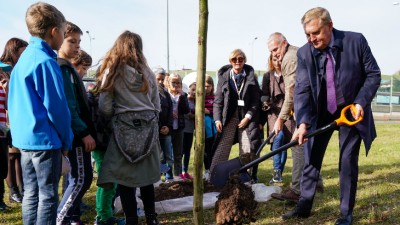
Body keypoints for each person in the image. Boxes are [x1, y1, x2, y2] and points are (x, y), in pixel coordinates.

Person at [282, 7, 381, 225]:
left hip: (350, 112)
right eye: (307, 35)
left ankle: (345, 214)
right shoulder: (305, 53)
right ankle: (304, 206)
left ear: (330, 25)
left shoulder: (355, 42)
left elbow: (373, 74)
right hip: (321, 112)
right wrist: (303, 122)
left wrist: (360, 102)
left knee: (347, 161)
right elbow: (302, 90)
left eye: (316, 33)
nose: (311, 39)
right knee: (311, 158)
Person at [8, 2, 74, 224]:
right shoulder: (46, 62)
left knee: (31, 194)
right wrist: (66, 140)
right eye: (64, 32)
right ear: (54, 31)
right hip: (45, 140)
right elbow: (58, 109)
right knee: (47, 196)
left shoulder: (23, 60)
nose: (63, 37)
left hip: (25, 140)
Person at [97, 31, 161, 225]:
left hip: (122, 128)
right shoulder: (147, 72)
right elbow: (157, 104)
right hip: (148, 127)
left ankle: (131, 219)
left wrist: (117, 112)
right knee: (146, 178)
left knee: (125, 179)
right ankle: (151, 218)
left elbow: (105, 106)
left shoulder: (112, 70)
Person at [56, 21, 96, 225]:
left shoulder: (67, 69)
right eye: (72, 41)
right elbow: (69, 106)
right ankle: (60, 219)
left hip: (76, 133)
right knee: (81, 179)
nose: (77, 46)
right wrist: (83, 132)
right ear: (58, 38)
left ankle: (71, 217)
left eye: (79, 42)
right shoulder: (63, 68)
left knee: (77, 178)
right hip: (76, 135)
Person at [210, 49, 261, 179]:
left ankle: (246, 178)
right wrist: (217, 120)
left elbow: (256, 100)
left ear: (244, 61)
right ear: (230, 61)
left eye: (240, 59)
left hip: (246, 118)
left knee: (247, 147)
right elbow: (218, 101)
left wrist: (248, 117)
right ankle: (214, 176)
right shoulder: (224, 78)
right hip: (229, 117)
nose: (237, 62)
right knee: (222, 147)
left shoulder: (251, 77)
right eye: (234, 59)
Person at [88, 69, 125, 225]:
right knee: (107, 181)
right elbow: (97, 122)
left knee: (110, 181)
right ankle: (104, 217)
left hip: (112, 143)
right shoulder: (94, 98)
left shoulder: (113, 95)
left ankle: (103, 213)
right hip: (102, 144)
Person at [0, 37, 28, 204]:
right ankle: (12, 191)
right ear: (13, 50)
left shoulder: (17, 69)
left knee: (17, 156)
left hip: (15, 115)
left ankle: (20, 189)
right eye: (21, 52)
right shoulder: (5, 68)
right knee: (10, 157)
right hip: (7, 121)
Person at [260, 53, 296, 184]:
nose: (277, 62)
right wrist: (266, 103)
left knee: (285, 143)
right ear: (271, 60)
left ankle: (278, 173)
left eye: (280, 59)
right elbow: (263, 95)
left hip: (289, 113)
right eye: (274, 59)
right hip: (274, 114)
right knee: (277, 139)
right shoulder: (267, 76)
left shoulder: (289, 74)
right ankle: (276, 171)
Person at [153, 67, 174, 182]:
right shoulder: (150, 94)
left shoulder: (167, 95)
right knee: (159, 157)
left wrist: (168, 127)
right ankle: (160, 177)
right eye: (158, 79)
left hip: (167, 131)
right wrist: (160, 127)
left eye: (163, 79)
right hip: (156, 131)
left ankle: (168, 176)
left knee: (169, 157)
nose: (160, 82)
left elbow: (170, 112)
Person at [168, 73, 189, 181]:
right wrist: (170, 113)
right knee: (166, 154)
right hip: (168, 128)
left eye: (178, 83)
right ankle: (167, 176)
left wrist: (183, 96)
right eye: (173, 82)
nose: (176, 85)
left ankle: (177, 175)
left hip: (179, 128)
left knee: (178, 153)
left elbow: (186, 110)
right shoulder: (165, 95)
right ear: (168, 83)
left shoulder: (182, 95)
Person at [0, 62, 12, 211]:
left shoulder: (3, 88)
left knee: (2, 167)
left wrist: (7, 89)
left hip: (3, 133)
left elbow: (9, 107)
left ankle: (1, 199)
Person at [203, 75, 216, 180]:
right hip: (204, 130)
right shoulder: (200, 97)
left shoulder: (215, 98)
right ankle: (207, 169)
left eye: (208, 86)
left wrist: (209, 112)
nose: (206, 88)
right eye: (204, 86)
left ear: (212, 86)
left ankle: (213, 169)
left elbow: (217, 112)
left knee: (213, 149)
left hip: (214, 128)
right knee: (205, 150)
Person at [181, 82, 195, 180]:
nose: (194, 92)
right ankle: (178, 172)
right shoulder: (184, 99)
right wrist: (197, 114)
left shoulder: (197, 102)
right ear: (189, 89)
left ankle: (185, 171)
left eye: (196, 90)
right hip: (182, 129)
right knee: (180, 152)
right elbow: (188, 115)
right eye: (193, 89)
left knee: (187, 152)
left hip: (190, 130)